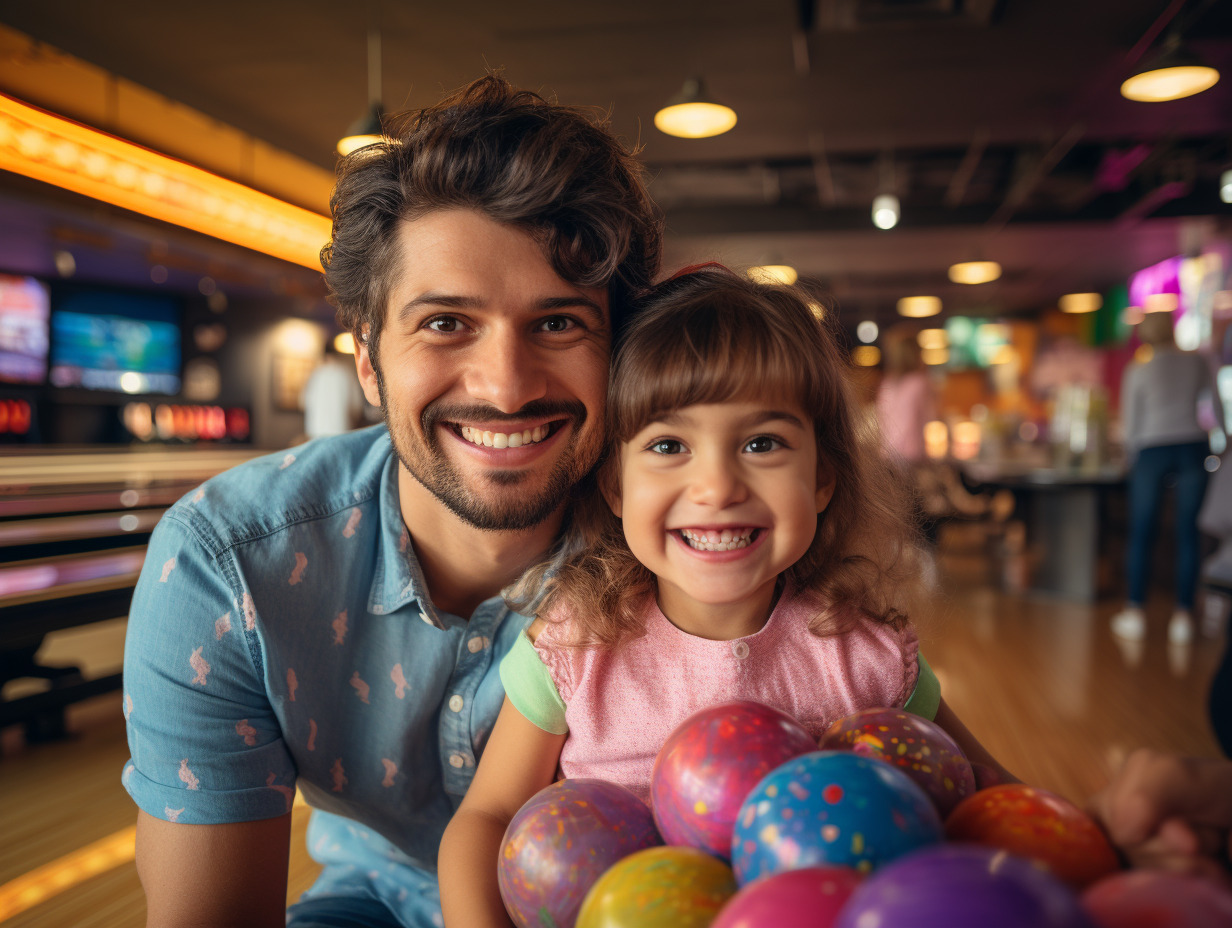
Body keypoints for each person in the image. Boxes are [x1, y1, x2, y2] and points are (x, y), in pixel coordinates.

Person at [120, 76, 661, 928]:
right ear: (369, 360)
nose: (507, 388)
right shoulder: (228, 567)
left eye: (558, 324)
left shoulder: (692, 550)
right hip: (373, 900)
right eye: (446, 322)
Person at [438, 267, 1016, 928]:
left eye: (761, 443)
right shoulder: (574, 647)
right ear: (616, 485)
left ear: (822, 479)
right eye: (669, 445)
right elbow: (485, 819)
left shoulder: (864, 652)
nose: (716, 486)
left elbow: (990, 801)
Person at [1111, 310, 1225, 645]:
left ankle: (1135, 611)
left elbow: (1130, 426)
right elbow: (1217, 409)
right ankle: (1184, 616)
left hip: (1152, 449)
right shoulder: (1197, 362)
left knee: (1142, 531)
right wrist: (1224, 444)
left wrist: (1132, 459)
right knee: (1188, 534)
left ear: (1145, 334)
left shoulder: (1139, 370)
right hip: (1192, 447)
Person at [299, 340, 367, 441]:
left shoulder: (316, 374)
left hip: (316, 431)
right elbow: (356, 407)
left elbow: (303, 402)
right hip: (341, 429)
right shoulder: (346, 373)